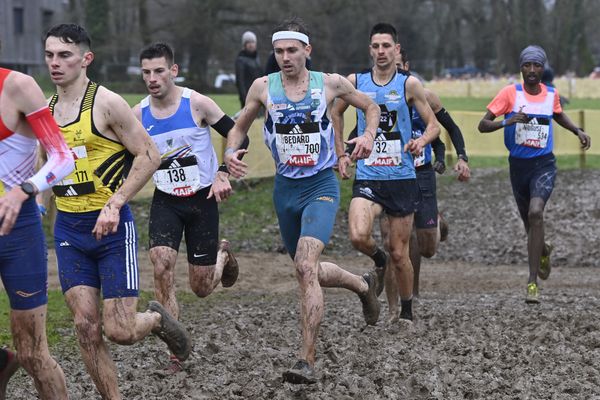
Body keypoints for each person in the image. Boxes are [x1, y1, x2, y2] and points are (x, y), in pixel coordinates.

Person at [224, 17, 381, 385]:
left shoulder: (329, 84)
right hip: (285, 190)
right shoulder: (263, 87)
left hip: (321, 186)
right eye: (279, 51)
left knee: (306, 265)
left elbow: (371, 107)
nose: (285, 57)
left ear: (307, 50)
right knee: (304, 267)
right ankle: (362, 284)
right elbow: (240, 124)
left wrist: (369, 135)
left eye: (292, 50)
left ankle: (306, 359)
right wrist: (231, 150)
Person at [44, 23, 192, 398]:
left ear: (85, 59)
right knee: (85, 328)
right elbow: (44, 170)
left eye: (64, 55)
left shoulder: (107, 103)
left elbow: (149, 155)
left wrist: (114, 204)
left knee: (121, 331)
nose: (55, 63)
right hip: (69, 232)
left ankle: (157, 319)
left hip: (111, 230)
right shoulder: (44, 112)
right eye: (49, 55)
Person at [133, 42, 246, 371]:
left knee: (200, 288)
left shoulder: (197, 103)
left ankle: (223, 256)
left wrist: (224, 171)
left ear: (173, 71)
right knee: (161, 263)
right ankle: (175, 348)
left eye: (158, 71)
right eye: (146, 73)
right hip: (166, 199)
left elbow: (238, 133)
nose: (152, 78)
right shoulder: (138, 114)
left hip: (202, 201)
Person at [332, 23, 440, 326]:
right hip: (368, 176)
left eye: (386, 46)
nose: (381, 51)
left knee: (399, 252)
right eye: (376, 46)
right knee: (357, 235)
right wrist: (341, 152)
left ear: (396, 50)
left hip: (402, 178)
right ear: (370, 49)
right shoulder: (355, 82)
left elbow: (434, 125)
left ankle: (404, 312)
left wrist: (421, 140)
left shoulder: (409, 85)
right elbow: (336, 112)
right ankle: (376, 260)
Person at [478, 45, 591, 303]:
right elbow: (482, 125)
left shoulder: (551, 94)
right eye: (527, 65)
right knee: (530, 226)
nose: (532, 70)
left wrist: (577, 130)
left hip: (544, 165)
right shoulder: (509, 93)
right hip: (518, 167)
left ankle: (532, 283)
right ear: (521, 68)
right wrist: (507, 121)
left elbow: (558, 115)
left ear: (543, 69)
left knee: (536, 212)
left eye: (537, 65)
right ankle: (542, 251)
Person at [0, 61, 74, 399]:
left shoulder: (17, 87)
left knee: (32, 353)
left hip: (17, 232)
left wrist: (25, 189)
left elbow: (63, 157)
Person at [381, 48, 470, 318]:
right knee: (393, 242)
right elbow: (361, 128)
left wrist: (463, 157)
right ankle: (395, 308)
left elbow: (452, 129)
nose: (394, 74)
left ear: (406, 66)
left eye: (399, 67)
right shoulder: (380, 96)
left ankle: (437, 220)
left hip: (422, 175)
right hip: (392, 174)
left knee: (428, 247)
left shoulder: (427, 97)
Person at [235, 31, 262, 108]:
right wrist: (245, 99)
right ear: (244, 45)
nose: (251, 45)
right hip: (248, 97)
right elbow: (240, 81)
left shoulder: (257, 59)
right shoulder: (240, 60)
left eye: (253, 42)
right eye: (248, 42)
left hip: (259, 95)